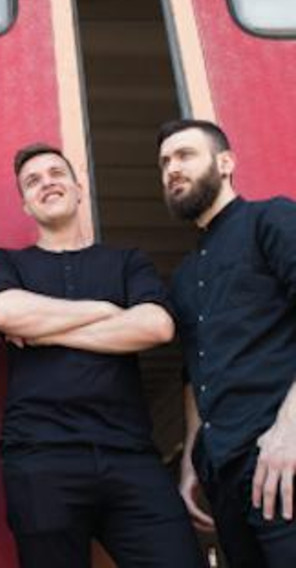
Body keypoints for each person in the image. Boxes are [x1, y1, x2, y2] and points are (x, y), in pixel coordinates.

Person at [0, 143, 203, 567]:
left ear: (79, 188)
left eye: (56, 174)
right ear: (25, 205)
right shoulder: (7, 263)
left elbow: (156, 325)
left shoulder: (127, 261)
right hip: (40, 455)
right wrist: (105, 311)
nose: (47, 183)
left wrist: (45, 330)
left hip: (130, 454)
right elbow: (3, 312)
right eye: (33, 181)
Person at [158, 119, 296, 567]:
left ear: (225, 163)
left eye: (185, 155)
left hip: (282, 458)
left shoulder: (271, 219)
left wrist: (289, 432)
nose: (172, 169)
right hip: (223, 475)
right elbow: (194, 373)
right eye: (164, 162)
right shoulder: (183, 276)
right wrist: (190, 463)